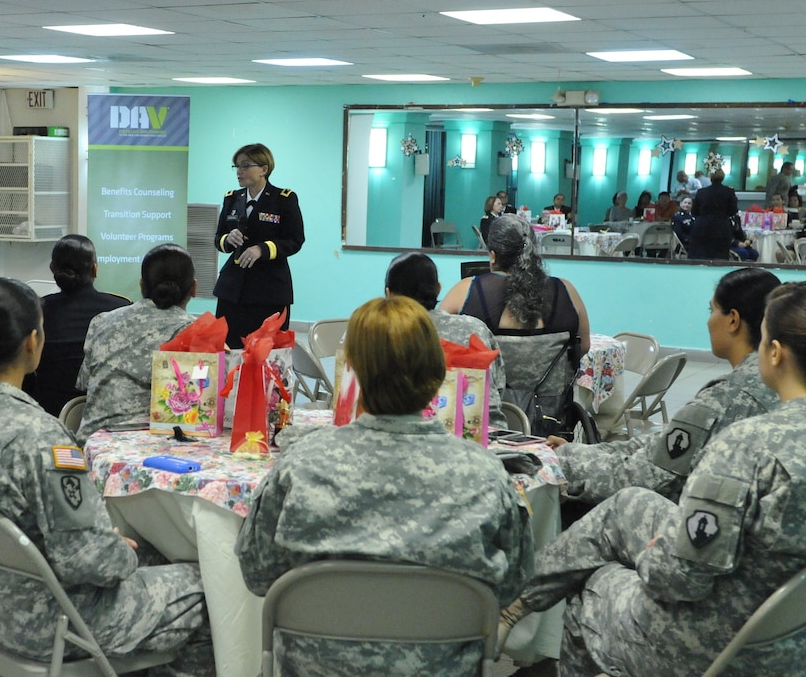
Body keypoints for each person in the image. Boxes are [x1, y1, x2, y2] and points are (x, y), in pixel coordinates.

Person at [497, 281, 806, 676]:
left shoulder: (748, 445)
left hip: (721, 644)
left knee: (593, 585)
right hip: (788, 637)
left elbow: (679, 580)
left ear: (775, 353)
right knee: (627, 508)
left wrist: (645, 557)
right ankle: (518, 603)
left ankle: (514, 605)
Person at [0, 278, 213, 675]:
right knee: (209, 588)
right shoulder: (39, 436)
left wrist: (106, 547)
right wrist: (117, 551)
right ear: (32, 341)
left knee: (147, 556)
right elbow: (90, 561)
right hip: (56, 623)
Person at [236, 296, 533, 676]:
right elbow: (511, 583)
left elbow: (257, 573)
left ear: (353, 371)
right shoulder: (487, 475)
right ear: (437, 369)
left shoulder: (300, 465)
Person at [550, 268, 781, 508]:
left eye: (711, 311)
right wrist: (578, 453)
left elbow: (652, 476)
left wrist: (564, 464)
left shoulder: (727, 398)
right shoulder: (777, 379)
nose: (708, 321)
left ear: (732, 320)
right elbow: (662, 445)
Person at [77, 244, 196, 438]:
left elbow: (84, 384)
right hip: (150, 447)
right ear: (194, 289)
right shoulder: (194, 331)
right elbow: (198, 406)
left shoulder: (101, 321)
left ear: (141, 285)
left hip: (91, 446)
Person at [441, 214, 590, 362]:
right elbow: (583, 347)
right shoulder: (566, 290)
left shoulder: (465, 290)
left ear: (493, 255)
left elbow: (433, 339)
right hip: (554, 386)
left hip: (486, 385)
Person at [384, 252, 507, 429]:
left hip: (408, 435)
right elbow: (497, 388)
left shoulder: (381, 333)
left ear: (389, 294)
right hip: (486, 434)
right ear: (439, 288)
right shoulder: (475, 328)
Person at [24, 235, 130, 416]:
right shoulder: (122, 309)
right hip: (106, 413)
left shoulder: (36, 310)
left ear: (52, 268)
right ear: (95, 270)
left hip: (48, 413)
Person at [213, 143, 304, 348]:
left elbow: (295, 240)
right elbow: (218, 238)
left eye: (245, 166)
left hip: (269, 290)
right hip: (233, 290)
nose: (239, 171)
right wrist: (228, 239)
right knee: (229, 349)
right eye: (236, 166)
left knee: (267, 352)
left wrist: (262, 249)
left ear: (264, 169)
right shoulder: (232, 199)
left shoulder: (284, 200)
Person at [689, 169, 738, 260]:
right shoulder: (729, 192)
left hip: (701, 228)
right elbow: (733, 211)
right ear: (723, 177)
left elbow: (694, 211)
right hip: (721, 228)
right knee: (719, 257)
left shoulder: (701, 192)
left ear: (710, 177)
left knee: (700, 256)